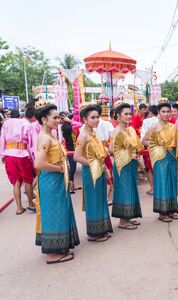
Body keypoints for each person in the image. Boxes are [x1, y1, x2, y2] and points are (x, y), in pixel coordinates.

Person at [34, 100, 79, 264]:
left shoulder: (49, 135)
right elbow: (38, 164)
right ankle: (52, 254)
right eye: (54, 117)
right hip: (52, 182)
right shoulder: (45, 138)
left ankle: (58, 247)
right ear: (44, 120)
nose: (58, 120)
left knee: (59, 213)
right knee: (54, 214)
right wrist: (60, 169)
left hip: (57, 181)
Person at [74, 103, 113, 242]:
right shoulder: (82, 135)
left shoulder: (93, 132)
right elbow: (76, 157)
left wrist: (104, 168)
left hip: (99, 169)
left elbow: (100, 153)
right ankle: (94, 233)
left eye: (97, 117)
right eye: (93, 117)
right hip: (90, 172)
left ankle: (102, 228)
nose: (96, 120)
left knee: (101, 198)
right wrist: (93, 164)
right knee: (93, 200)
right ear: (85, 119)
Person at [143, 99, 178, 223]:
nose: (166, 114)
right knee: (162, 182)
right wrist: (157, 145)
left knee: (171, 181)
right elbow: (144, 141)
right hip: (160, 157)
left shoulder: (173, 127)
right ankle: (162, 211)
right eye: (163, 111)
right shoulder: (155, 127)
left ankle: (171, 209)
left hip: (172, 156)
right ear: (158, 112)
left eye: (168, 112)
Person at [109, 101, 143, 230]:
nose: (129, 116)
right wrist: (129, 154)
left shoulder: (131, 129)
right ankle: (123, 221)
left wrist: (136, 152)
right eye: (126, 114)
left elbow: (137, 145)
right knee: (123, 189)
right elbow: (111, 150)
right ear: (118, 116)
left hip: (132, 164)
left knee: (131, 188)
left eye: (130, 114)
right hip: (121, 164)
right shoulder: (116, 131)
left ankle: (128, 216)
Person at [0, 109, 35, 214]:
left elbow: (2, 139)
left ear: (10, 115)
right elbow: (31, 142)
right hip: (22, 154)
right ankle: (30, 204)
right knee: (28, 179)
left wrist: (2, 154)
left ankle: (19, 208)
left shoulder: (6, 123)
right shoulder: (25, 123)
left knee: (16, 181)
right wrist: (33, 157)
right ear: (20, 115)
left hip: (9, 154)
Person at [60, 112, 81, 194]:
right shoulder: (65, 127)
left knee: (73, 168)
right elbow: (79, 125)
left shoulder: (68, 125)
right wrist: (70, 121)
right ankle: (69, 187)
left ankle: (73, 185)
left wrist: (69, 121)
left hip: (73, 148)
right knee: (71, 169)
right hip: (70, 150)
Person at [141, 105, 158, 195]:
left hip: (149, 148)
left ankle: (152, 188)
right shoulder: (161, 120)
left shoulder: (146, 121)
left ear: (150, 112)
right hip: (161, 149)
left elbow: (143, 138)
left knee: (149, 169)